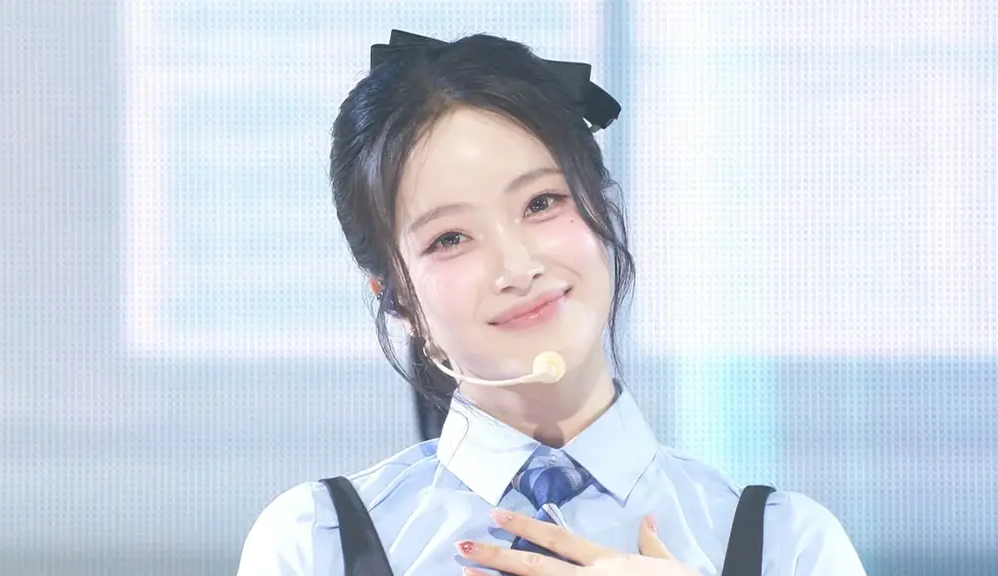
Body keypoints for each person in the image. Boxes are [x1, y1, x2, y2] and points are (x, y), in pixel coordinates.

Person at [237, 30, 867, 576]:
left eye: (542, 203)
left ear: (602, 208)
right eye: (450, 238)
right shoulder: (316, 543)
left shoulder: (785, 545)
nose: (517, 267)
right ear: (397, 298)